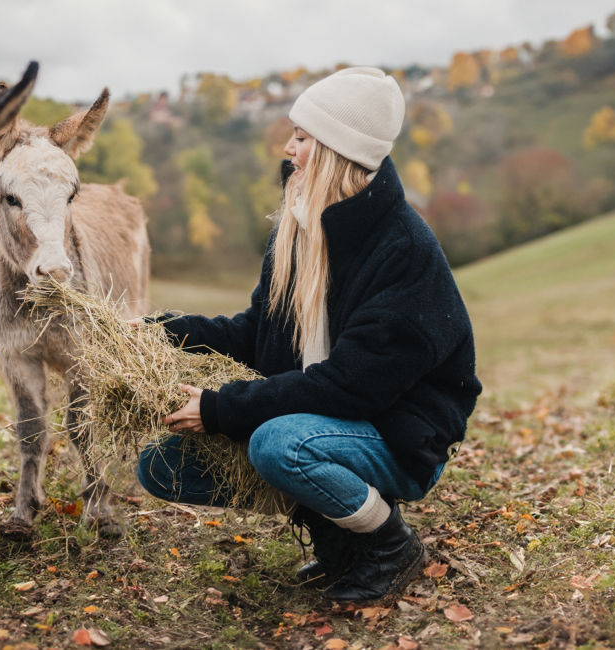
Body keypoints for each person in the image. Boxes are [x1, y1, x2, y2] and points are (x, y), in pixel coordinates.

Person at [135, 67, 482, 603]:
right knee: (164, 465)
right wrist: (162, 332)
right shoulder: (299, 229)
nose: (288, 148)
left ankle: (391, 545)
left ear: (336, 151)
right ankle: (338, 537)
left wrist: (222, 407)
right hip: (326, 420)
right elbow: (257, 333)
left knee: (278, 443)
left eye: (301, 137)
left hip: (397, 437)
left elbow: (350, 386)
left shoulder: (402, 251)